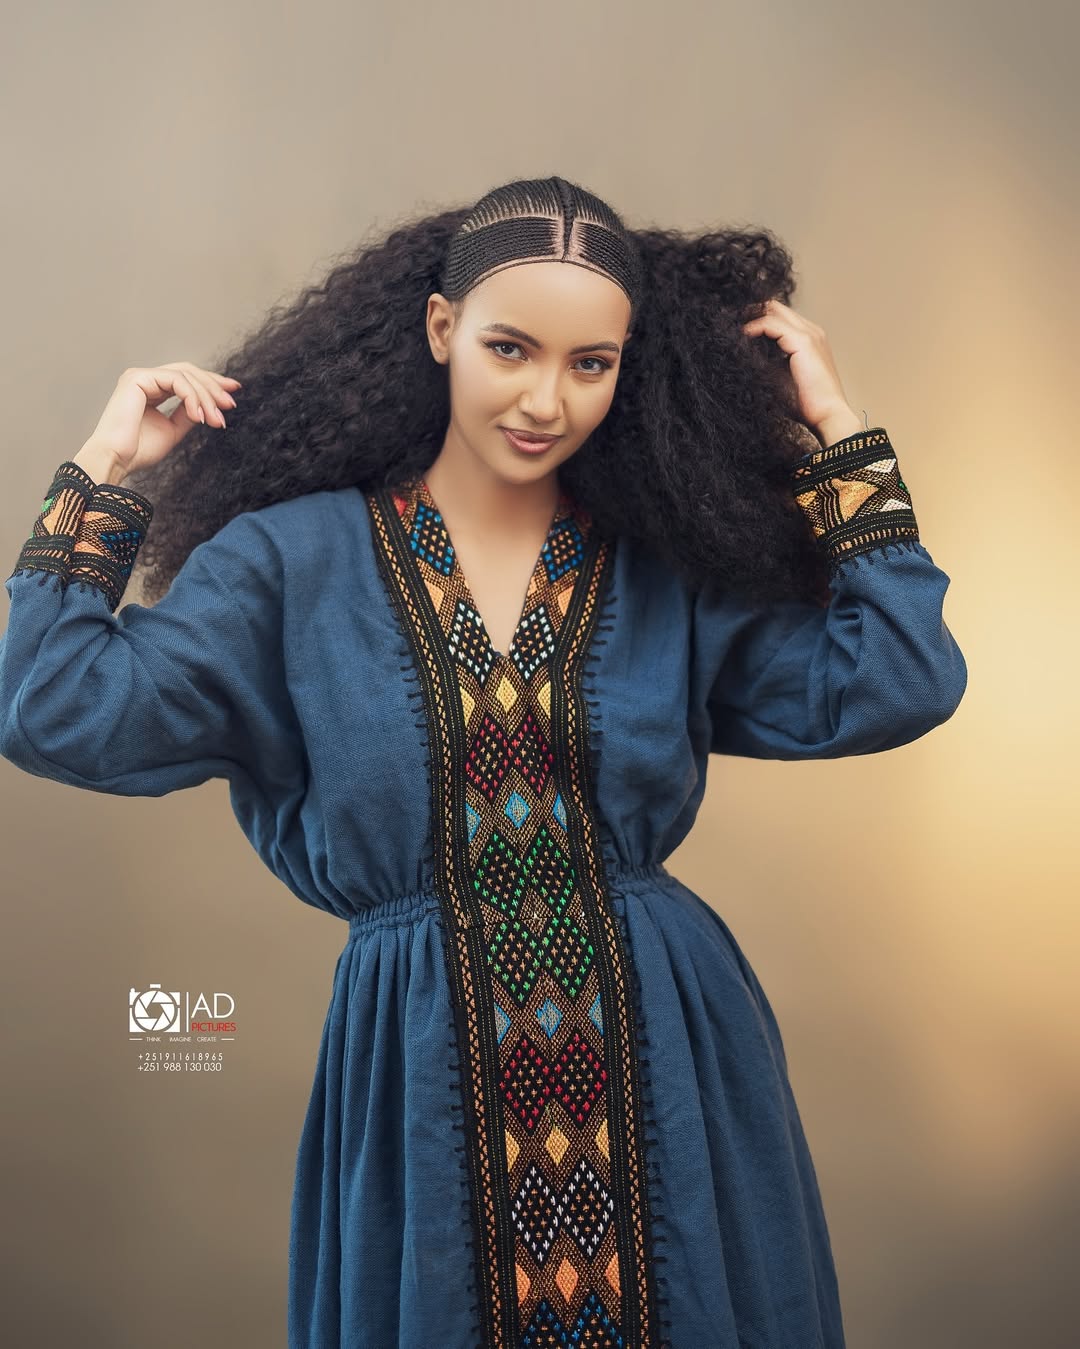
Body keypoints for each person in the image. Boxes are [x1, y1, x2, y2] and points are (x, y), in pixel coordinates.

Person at [0, 175, 967, 1349]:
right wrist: (108, 464)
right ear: (440, 328)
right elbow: (49, 705)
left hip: (667, 1050)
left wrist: (834, 429)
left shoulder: (663, 564)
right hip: (425, 1066)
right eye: (510, 347)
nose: (545, 399)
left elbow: (899, 679)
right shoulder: (290, 564)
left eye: (589, 364)